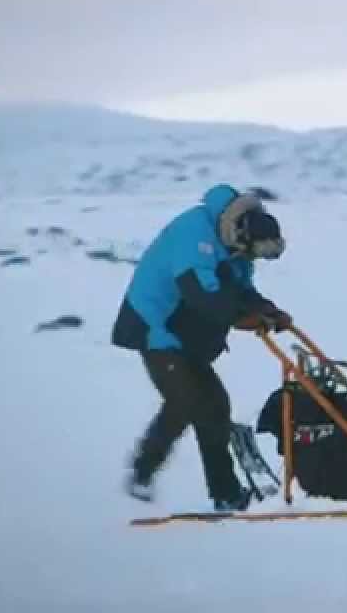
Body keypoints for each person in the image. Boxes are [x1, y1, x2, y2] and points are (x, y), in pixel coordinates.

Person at [111, 184, 291, 512]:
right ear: (243, 235)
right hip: (156, 328)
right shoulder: (195, 235)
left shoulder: (235, 243)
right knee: (186, 401)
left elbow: (240, 288)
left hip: (187, 334)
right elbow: (201, 294)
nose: (252, 259)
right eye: (254, 253)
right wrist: (242, 318)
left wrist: (268, 310)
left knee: (215, 407)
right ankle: (141, 474)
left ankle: (226, 494)